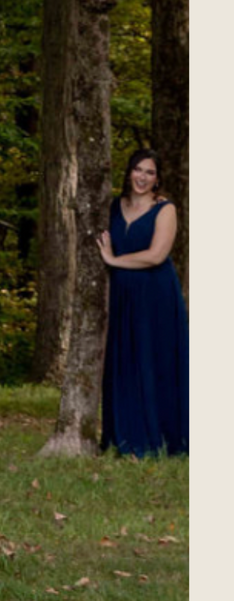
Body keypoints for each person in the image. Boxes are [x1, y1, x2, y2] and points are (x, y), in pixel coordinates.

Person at [97, 148, 188, 457]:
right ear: (129, 172)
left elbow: (156, 255)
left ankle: (160, 437)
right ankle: (122, 435)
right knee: (123, 361)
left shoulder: (165, 209)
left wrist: (113, 259)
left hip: (156, 295)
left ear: (157, 179)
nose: (143, 177)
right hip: (122, 295)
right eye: (138, 169)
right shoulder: (112, 206)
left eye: (150, 172)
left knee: (155, 361)